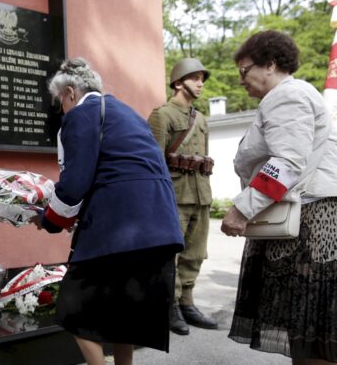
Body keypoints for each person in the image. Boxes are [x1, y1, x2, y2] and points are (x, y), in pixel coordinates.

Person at [32, 58, 184, 365]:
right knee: (123, 313)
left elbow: (75, 182)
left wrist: (50, 220)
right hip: (158, 225)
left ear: (71, 93)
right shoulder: (126, 113)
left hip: (118, 226)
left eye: (60, 101)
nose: (61, 108)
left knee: (73, 309)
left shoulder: (81, 115)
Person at [221, 30, 337, 364]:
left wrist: (241, 209)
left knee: (312, 329)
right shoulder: (292, 95)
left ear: (270, 64)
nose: (241, 80)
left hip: (311, 225)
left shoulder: (286, 96)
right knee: (307, 328)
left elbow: (287, 162)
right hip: (313, 220)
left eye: (244, 71)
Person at [147, 58, 218, 335]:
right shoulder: (162, 115)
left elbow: (203, 156)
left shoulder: (200, 118)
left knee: (196, 253)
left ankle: (188, 302)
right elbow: (152, 161)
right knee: (171, 255)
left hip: (201, 193)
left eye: (202, 78)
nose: (200, 83)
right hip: (173, 195)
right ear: (178, 82)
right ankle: (170, 305)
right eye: (195, 78)